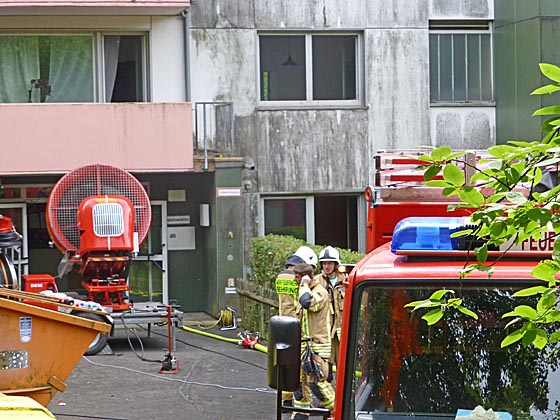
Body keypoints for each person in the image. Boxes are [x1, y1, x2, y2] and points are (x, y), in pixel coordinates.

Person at [275, 246, 318, 406]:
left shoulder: (281, 275)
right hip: (296, 326)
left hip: (282, 325)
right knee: (300, 368)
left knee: (286, 364)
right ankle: (302, 400)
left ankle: (285, 400)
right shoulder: (296, 278)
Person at [292, 262, 335, 419]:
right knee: (301, 387)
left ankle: (339, 411)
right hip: (305, 347)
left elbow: (308, 303)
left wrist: (304, 285)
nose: (294, 280)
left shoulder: (319, 292)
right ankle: (300, 415)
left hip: (317, 347)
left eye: (297, 277)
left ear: (305, 277)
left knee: (317, 383)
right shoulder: (305, 290)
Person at [315, 246, 346, 379]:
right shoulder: (316, 281)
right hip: (324, 330)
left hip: (340, 331)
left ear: (336, 264)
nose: (326, 266)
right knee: (324, 366)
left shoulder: (345, 281)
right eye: (324, 263)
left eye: (329, 263)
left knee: (342, 365)